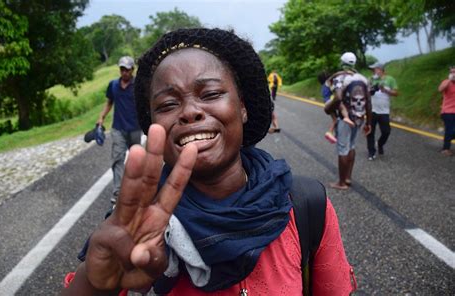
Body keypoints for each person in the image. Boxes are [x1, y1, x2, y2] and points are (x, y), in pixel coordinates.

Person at [62, 28, 356, 295]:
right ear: (153, 127)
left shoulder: (305, 205)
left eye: (211, 93)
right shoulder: (137, 228)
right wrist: (95, 283)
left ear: (242, 107)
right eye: (167, 105)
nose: (189, 111)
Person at [97, 56, 142, 204]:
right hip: (118, 129)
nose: (125, 72)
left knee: (137, 160)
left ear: (132, 70)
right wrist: (101, 117)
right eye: (122, 69)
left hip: (135, 128)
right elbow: (109, 103)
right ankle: (117, 193)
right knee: (117, 159)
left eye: (127, 70)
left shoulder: (138, 85)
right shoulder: (113, 85)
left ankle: (137, 190)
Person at [325, 53, 372, 190]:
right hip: (359, 118)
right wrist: (368, 122)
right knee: (351, 146)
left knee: (343, 149)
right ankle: (348, 177)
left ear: (342, 63)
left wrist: (330, 107)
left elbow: (338, 97)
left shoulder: (340, 77)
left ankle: (341, 182)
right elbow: (368, 101)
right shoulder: (363, 79)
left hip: (345, 119)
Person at [323, 53, 360, 144]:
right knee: (340, 103)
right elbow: (338, 95)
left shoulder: (337, 78)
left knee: (336, 119)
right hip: (329, 101)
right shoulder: (336, 77)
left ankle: (331, 132)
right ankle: (345, 118)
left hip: (329, 100)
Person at [366, 62, 398, 160]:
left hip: (384, 111)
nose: (373, 71)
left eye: (374, 69)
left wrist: (385, 90)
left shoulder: (390, 79)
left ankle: (380, 144)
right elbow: (366, 92)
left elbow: (396, 93)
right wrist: (369, 90)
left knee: (386, 132)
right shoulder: (370, 79)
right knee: (370, 132)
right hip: (372, 110)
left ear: (380, 69)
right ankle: (371, 152)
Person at [437, 66, 455, 156]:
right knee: (450, 130)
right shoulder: (446, 82)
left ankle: (447, 139)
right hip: (447, 112)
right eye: (452, 72)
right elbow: (440, 89)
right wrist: (449, 80)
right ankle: (445, 149)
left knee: (451, 131)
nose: (453, 74)